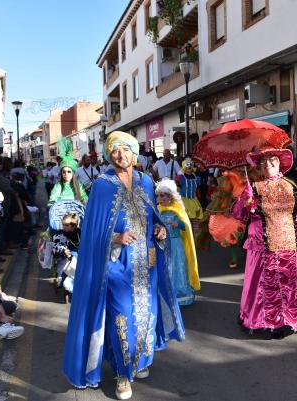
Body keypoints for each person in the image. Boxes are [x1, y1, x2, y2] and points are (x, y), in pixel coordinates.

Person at [63, 131, 184, 400]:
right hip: (117, 263)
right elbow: (92, 229)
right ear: (109, 155)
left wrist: (160, 231)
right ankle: (122, 374)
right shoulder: (103, 185)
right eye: (115, 151)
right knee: (123, 316)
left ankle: (139, 361)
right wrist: (115, 237)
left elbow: (154, 217)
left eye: (125, 150)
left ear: (134, 152)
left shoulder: (146, 181)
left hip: (146, 262)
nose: (121, 155)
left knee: (146, 315)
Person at [230, 147, 297, 336]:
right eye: (264, 162)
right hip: (262, 246)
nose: (268, 164)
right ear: (260, 167)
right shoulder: (253, 188)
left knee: (289, 286)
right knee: (265, 287)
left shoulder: (291, 186)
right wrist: (245, 201)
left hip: (289, 245)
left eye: (273, 161)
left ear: (279, 164)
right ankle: (264, 320)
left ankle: (291, 319)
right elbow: (238, 214)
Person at [155, 179, 199, 306]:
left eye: (162, 195)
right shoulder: (158, 209)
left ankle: (179, 293)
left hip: (175, 245)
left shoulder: (178, 209)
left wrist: (178, 223)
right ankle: (164, 293)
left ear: (170, 196)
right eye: (158, 195)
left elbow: (186, 227)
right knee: (164, 268)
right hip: (162, 245)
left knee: (177, 268)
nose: (160, 198)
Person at [175, 158, 204, 223]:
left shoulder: (195, 176)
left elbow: (197, 187)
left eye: (190, 165)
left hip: (194, 200)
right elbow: (177, 184)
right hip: (184, 200)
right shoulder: (181, 176)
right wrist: (178, 184)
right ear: (184, 166)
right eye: (187, 165)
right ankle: (187, 231)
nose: (189, 167)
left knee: (195, 217)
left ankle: (194, 231)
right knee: (185, 218)